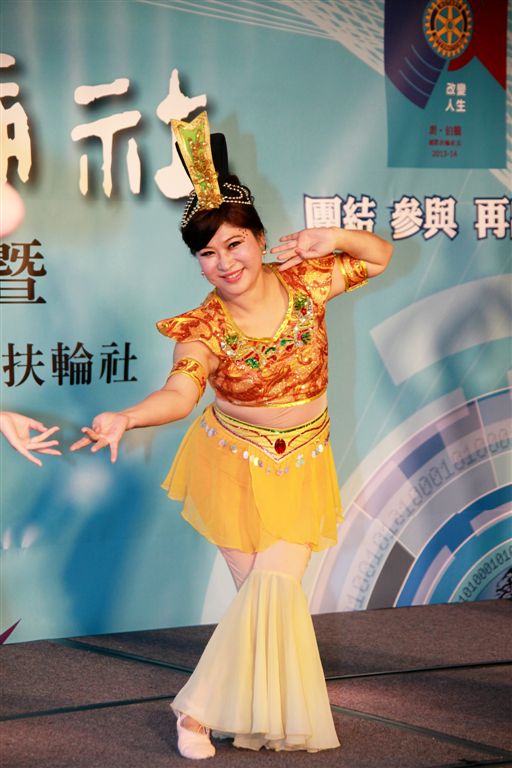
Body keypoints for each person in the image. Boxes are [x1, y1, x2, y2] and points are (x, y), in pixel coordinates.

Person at [70, 111, 392, 759]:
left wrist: (332, 235)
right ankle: (247, 714)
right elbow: (180, 393)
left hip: (303, 459)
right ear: (198, 264)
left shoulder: (307, 282)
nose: (224, 262)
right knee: (265, 599)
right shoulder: (205, 328)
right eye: (208, 253)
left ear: (261, 239)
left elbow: (379, 255)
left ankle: (196, 713)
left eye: (235, 244)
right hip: (231, 465)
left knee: (270, 595)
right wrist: (129, 417)